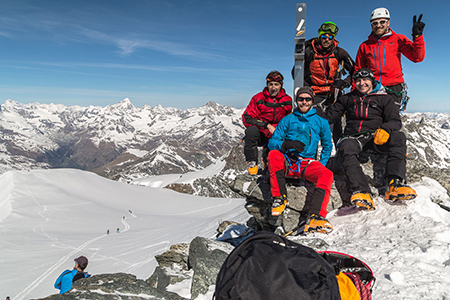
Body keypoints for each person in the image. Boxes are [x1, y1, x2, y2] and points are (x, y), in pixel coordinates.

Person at [326, 68, 417, 210]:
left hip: (376, 138)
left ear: (372, 81)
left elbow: (395, 121)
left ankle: (394, 184)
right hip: (354, 138)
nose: (362, 83)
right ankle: (361, 191)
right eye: (358, 81)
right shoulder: (347, 99)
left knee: (399, 137)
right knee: (346, 147)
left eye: (366, 80)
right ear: (354, 83)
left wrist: (386, 129)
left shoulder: (384, 98)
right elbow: (329, 116)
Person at [267, 86, 334, 234]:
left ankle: (316, 216)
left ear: (312, 100)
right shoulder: (288, 120)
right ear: (296, 101)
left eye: (307, 99)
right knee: (273, 155)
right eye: (300, 99)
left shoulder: (321, 122)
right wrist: (286, 144)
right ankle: (280, 198)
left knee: (327, 174)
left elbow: (327, 146)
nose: (304, 102)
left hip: (307, 164)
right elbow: (272, 143)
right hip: (287, 161)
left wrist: (320, 164)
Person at [293, 22, 355, 144]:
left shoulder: (340, 53)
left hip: (334, 93)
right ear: (319, 36)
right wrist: (307, 88)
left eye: (330, 37)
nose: (327, 39)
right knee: (313, 126)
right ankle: (310, 157)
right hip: (315, 93)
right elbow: (296, 72)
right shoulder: (309, 51)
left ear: (334, 38)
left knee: (337, 126)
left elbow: (355, 71)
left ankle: (340, 155)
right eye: (324, 36)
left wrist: (345, 83)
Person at [355, 8, 425, 109]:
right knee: (372, 121)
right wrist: (355, 91)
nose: (378, 25)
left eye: (382, 22)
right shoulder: (365, 46)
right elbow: (358, 70)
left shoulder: (398, 39)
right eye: (375, 23)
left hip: (394, 88)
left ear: (388, 22)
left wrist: (417, 37)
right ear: (371, 25)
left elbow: (417, 57)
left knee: (391, 122)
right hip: (372, 87)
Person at [242, 71, 293, 175]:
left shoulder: (287, 100)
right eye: (271, 84)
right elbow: (247, 118)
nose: (273, 88)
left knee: (272, 167)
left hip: (278, 136)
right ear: (267, 85)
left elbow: (289, 119)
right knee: (251, 131)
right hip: (262, 134)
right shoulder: (258, 98)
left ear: (281, 85)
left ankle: (271, 161)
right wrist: (266, 125)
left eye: (276, 84)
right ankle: (252, 163)